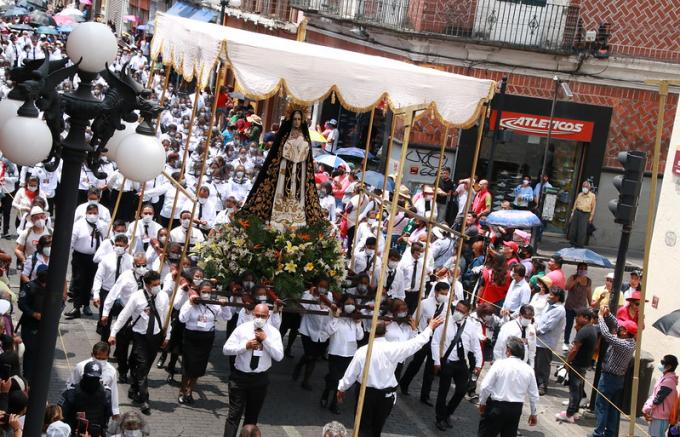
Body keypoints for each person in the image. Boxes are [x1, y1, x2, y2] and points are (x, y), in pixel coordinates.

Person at [337, 316, 444, 437]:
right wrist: (429, 328)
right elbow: (415, 343)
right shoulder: (393, 348)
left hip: (368, 394)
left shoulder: (363, 351)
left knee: (364, 427)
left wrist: (342, 388)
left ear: (371, 331)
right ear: (386, 332)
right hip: (383, 396)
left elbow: (351, 374)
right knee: (376, 428)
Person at [240, 108, 325, 231]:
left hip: (299, 171)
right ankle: (277, 222)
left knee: (297, 195)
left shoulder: (305, 137)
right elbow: (280, 153)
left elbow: (307, 156)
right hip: (284, 170)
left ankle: (295, 223)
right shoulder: (285, 136)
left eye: (299, 119)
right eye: (295, 119)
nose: (297, 122)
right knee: (281, 193)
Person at [108, 270, 171, 415]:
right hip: (140, 336)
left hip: (155, 336)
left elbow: (165, 316)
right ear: (147, 285)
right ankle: (144, 399)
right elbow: (124, 316)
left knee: (146, 367)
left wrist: (167, 335)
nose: (157, 286)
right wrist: (113, 333)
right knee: (142, 366)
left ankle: (135, 387)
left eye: (158, 283)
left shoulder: (163, 296)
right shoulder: (137, 297)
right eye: (154, 284)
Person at [222, 303, 284, 437]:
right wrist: (245, 346)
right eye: (257, 315)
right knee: (234, 415)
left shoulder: (273, 333)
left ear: (268, 316)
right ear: (252, 314)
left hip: (259, 379)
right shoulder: (242, 329)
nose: (260, 318)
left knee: (252, 416)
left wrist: (266, 341)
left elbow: (279, 356)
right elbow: (226, 349)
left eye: (263, 316)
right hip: (240, 378)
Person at [178, 280, 232, 404]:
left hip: (206, 338)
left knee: (199, 366)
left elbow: (227, 317)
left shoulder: (214, 304)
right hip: (191, 337)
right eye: (204, 292)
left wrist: (225, 306)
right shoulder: (191, 302)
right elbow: (182, 318)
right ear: (199, 291)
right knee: (188, 366)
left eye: (208, 292)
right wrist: (190, 304)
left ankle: (190, 390)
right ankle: (182, 390)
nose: (206, 294)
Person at [432, 300, 482, 430]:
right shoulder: (445, 322)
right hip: (447, 362)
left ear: (467, 313)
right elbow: (435, 342)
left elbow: (476, 347)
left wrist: (478, 364)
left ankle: (448, 413)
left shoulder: (471, 326)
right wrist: (436, 361)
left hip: (461, 363)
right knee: (443, 392)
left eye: (462, 311)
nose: (458, 312)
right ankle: (439, 418)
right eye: (457, 309)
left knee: (461, 390)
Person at [478, 336, 539, 437]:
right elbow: (534, 395)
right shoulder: (529, 370)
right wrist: (534, 413)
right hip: (515, 409)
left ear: (509, 350)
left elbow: (485, 386)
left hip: (497, 406)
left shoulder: (499, 364)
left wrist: (482, 402)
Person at [399, 282, 449, 405]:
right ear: (436, 292)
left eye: (446, 294)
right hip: (423, 336)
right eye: (442, 293)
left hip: (436, 340)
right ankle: (404, 383)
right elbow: (415, 319)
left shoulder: (447, 307)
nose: (444, 296)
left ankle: (425, 395)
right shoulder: (425, 303)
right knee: (416, 363)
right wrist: (415, 334)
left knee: (431, 368)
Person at [591, 304, 636, 437]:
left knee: (602, 406)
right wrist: (608, 314)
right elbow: (616, 324)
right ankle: (610, 433)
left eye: (621, 329)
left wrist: (600, 317)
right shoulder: (629, 340)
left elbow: (606, 334)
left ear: (625, 332)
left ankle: (598, 433)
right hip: (618, 379)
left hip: (609, 378)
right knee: (612, 408)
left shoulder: (623, 344)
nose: (618, 329)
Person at [320, 295, 363, 414]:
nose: (350, 306)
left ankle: (334, 403)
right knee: (334, 378)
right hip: (336, 352)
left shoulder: (355, 319)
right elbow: (328, 331)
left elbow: (360, 337)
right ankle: (326, 392)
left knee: (342, 380)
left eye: (352, 303)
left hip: (350, 354)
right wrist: (336, 318)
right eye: (348, 303)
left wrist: (358, 323)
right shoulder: (334, 314)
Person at [66, 204, 108, 319]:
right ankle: (76, 306)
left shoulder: (102, 225)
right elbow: (71, 241)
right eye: (90, 212)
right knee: (78, 281)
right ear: (86, 213)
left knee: (89, 282)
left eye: (95, 213)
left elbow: (107, 240)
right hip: (80, 256)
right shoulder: (78, 225)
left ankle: (86, 305)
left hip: (95, 257)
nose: (92, 215)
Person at [556, 309, 597, 423]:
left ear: (585, 318)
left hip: (577, 364)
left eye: (578, 317)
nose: (576, 319)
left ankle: (569, 414)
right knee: (578, 389)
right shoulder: (591, 329)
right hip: (583, 364)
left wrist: (567, 362)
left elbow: (574, 349)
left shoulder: (584, 331)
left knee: (574, 390)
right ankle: (575, 412)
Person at [92, 234, 133, 341]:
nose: (118, 247)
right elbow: (98, 277)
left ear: (126, 246)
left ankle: (119, 347)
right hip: (107, 291)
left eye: (121, 245)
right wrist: (96, 294)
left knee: (122, 321)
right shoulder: (106, 259)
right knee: (105, 321)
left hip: (123, 294)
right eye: (116, 244)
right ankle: (104, 345)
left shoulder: (131, 260)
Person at [294, 277, 333, 390]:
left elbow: (331, 308)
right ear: (315, 285)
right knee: (310, 355)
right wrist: (311, 295)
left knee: (314, 357)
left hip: (323, 332)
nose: (323, 288)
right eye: (321, 286)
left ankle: (301, 366)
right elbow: (301, 309)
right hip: (308, 330)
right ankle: (305, 380)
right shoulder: (307, 293)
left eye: (325, 287)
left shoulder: (329, 295)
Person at [66, 342, 120, 419]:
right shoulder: (81, 366)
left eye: (103, 359)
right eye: (98, 358)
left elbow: (113, 391)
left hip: (99, 408)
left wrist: (115, 411)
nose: (101, 361)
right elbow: (71, 385)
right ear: (92, 355)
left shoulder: (111, 371)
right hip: (82, 404)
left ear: (108, 356)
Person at [59, 361, 113, 437]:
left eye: (95, 379)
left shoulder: (106, 393)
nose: (92, 382)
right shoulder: (72, 392)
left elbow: (108, 416)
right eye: (90, 378)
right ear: (84, 376)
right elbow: (60, 416)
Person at [18, 264, 49, 380]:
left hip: (45, 326)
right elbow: (22, 304)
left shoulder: (51, 288)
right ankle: (27, 376)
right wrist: (33, 314)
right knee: (30, 351)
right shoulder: (29, 287)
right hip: (30, 324)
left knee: (42, 352)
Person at [534, 287, 566, 396]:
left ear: (557, 297)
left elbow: (549, 325)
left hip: (546, 342)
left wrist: (537, 331)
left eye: (551, 295)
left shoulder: (559, 310)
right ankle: (535, 383)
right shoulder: (548, 306)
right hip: (538, 340)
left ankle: (542, 385)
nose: (549, 296)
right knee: (536, 363)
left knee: (543, 365)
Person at [643, 355, 679, 437]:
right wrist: (647, 408)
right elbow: (654, 395)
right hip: (657, 415)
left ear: (669, 366)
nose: (660, 364)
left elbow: (657, 399)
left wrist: (646, 409)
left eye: (662, 362)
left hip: (661, 417)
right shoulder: (664, 378)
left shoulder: (668, 381)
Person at [563, 262, 592, 351]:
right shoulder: (573, 277)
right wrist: (576, 281)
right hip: (570, 306)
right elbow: (567, 287)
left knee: (581, 325)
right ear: (577, 269)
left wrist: (590, 304)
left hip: (581, 307)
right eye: (581, 268)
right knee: (569, 324)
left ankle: (577, 342)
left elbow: (588, 293)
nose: (582, 270)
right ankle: (566, 342)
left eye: (584, 268)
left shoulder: (588, 280)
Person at [569, 180, 597, 247]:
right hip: (577, 212)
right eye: (583, 186)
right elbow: (575, 204)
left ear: (589, 188)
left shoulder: (592, 196)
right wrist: (572, 213)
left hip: (585, 214)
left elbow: (593, 208)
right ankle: (572, 243)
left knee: (582, 230)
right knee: (573, 229)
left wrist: (591, 217)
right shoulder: (580, 194)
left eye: (586, 186)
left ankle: (580, 245)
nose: (584, 188)